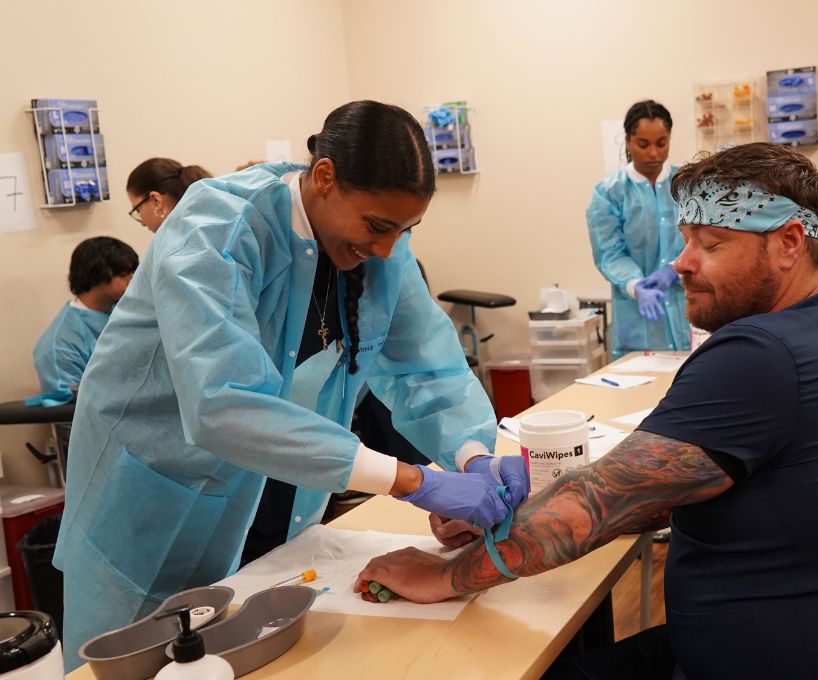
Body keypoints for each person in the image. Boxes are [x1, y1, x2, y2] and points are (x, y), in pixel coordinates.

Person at [358, 143, 818, 680]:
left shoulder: (760, 355)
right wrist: (514, 512)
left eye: (711, 244)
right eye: (686, 239)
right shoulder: (815, 331)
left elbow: (596, 506)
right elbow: (637, 486)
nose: (682, 263)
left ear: (790, 243)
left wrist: (441, 575)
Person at [54, 100, 528, 669]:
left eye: (403, 231)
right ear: (324, 177)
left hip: (277, 485)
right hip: (157, 499)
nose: (385, 249)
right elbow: (223, 402)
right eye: (377, 227)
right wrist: (410, 481)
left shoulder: (380, 252)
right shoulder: (217, 226)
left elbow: (428, 369)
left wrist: (473, 454)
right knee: (144, 662)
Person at [586, 100, 689, 358]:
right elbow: (610, 253)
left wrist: (674, 269)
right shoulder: (609, 193)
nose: (653, 153)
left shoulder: (688, 185)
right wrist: (635, 285)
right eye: (643, 144)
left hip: (688, 310)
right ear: (628, 141)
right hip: (636, 317)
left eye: (661, 143)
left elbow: (704, 239)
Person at [27, 236, 138, 407]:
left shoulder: (130, 312)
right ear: (98, 274)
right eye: (124, 274)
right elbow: (72, 411)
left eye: (133, 273)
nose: (133, 280)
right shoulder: (61, 344)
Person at [126, 157, 213, 232]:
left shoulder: (178, 247)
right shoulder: (212, 227)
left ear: (156, 200)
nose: (142, 223)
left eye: (138, 210)